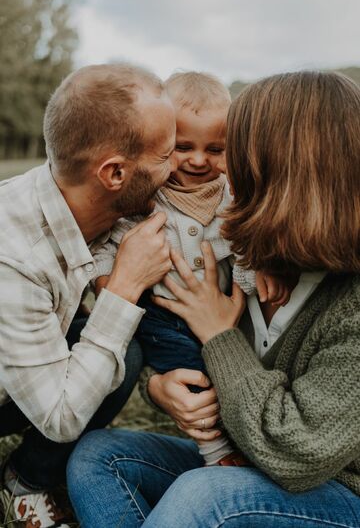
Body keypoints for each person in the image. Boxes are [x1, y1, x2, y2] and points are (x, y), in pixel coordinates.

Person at [67, 70, 360, 528]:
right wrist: (161, 390)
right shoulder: (248, 255)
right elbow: (181, 345)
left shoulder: (352, 304)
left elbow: (299, 453)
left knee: (204, 497)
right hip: (245, 464)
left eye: (229, 151)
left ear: (280, 169)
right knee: (97, 457)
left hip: (334, 490)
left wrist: (220, 333)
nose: (218, 168)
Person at [0, 63, 177, 527]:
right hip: (14, 391)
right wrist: (123, 287)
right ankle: (26, 483)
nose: (176, 166)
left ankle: (24, 468)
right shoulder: (14, 257)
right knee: (104, 355)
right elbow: (60, 417)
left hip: (26, 358)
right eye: (166, 155)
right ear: (115, 173)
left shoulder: (92, 202)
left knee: (126, 355)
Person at [94, 71, 290, 468]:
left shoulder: (234, 197)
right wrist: (104, 279)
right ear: (161, 142)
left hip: (221, 313)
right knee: (195, 375)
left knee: (233, 369)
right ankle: (216, 451)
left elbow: (244, 242)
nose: (199, 160)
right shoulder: (148, 196)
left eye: (214, 149)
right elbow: (108, 239)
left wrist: (260, 267)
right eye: (183, 147)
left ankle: (250, 438)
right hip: (162, 315)